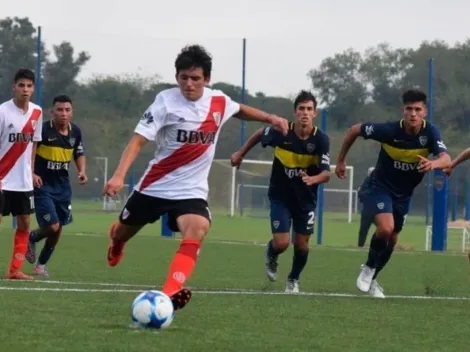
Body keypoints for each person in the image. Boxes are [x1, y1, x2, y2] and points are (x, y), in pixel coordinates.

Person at [102, 44, 289, 311]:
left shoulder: (217, 101)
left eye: (195, 79)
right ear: (176, 77)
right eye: (183, 78)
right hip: (155, 186)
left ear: (207, 79)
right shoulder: (165, 102)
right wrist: (119, 176)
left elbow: (239, 109)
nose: (189, 84)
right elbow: (137, 142)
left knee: (198, 229)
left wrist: (270, 117)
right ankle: (117, 242)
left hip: (191, 191)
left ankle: (169, 292)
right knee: (122, 232)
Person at [335, 89, 451, 298]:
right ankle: (369, 267)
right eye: (409, 109)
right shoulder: (389, 130)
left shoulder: (430, 133)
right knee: (386, 229)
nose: (413, 114)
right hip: (378, 187)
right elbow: (354, 130)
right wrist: (341, 160)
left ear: (424, 112)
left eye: (417, 109)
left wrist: (433, 163)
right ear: (402, 111)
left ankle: (372, 279)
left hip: (403, 195)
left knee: (393, 240)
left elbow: (446, 158)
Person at [231, 90, 330, 293]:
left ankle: (293, 279)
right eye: (301, 109)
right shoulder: (282, 132)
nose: (305, 113)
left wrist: (313, 179)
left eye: (309, 109)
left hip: (305, 200)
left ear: (315, 113)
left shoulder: (321, 140)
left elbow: (327, 174)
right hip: (280, 196)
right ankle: (271, 253)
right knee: (282, 243)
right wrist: (240, 152)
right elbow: (260, 134)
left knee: (302, 245)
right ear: (295, 112)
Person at [25, 95, 87, 276]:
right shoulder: (43, 130)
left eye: (67, 110)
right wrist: (32, 173)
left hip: (63, 187)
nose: (64, 114)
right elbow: (30, 152)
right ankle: (32, 237)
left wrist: (82, 171)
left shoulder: (75, 132)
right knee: (52, 225)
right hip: (42, 185)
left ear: (72, 112)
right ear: (52, 112)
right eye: (59, 110)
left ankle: (41, 265)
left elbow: (79, 153)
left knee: (58, 228)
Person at [0, 68, 43, 280]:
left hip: (23, 181)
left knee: (25, 223)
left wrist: (32, 171)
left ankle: (14, 270)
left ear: (33, 89)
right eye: (21, 86)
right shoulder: (2, 111)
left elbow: (34, 145)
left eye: (29, 86)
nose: (25, 90)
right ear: (14, 87)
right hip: (2, 178)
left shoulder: (37, 112)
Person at [357, 167, 375, 247]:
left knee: (383, 228)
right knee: (363, 230)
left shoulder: (380, 183)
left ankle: (381, 245)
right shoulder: (366, 181)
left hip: (378, 209)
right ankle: (360, 245)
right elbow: (361, 194)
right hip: (367, 209)